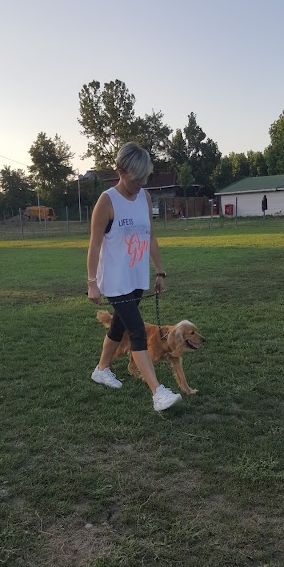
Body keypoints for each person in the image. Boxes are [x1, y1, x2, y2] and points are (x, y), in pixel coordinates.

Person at [87, 142, 182, 412]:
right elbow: (94, 245)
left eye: (146, 177)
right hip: (115, 280)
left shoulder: (145, 198)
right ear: (121, 171)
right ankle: (158, 393)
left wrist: (159, 271)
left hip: (137, 277)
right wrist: (92, 282)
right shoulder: (107, 201)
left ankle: (101, 369)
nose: (143, 182)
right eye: (138, 177)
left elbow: (150, 237)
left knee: (119, 327)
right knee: (137, 331)